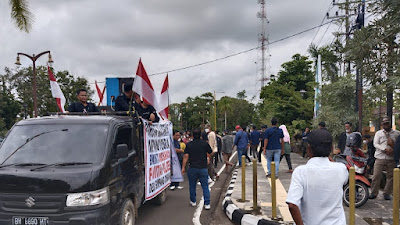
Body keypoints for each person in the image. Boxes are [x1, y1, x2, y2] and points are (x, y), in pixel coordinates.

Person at [286, 129, 348, 225]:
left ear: (309, 149)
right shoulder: (341, 169)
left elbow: (292, 205)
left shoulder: (301, 172)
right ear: (331, 148)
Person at [370, 117, 400, 200]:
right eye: (384, 123)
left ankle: (387, 193)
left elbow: (398, 145)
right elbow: (375, 144)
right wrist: (384, 149)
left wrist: (393, 150)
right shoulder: (378, 133)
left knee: (391, 177)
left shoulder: (397, 133)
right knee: (376, 176)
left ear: (390, 124)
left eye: (387, 123)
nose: (386, 125)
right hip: (380, 157)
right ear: (382, 124)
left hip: (391, 158)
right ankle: (374, 193)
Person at [181, 129, 212, 210]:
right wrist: (207, 158)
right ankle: (207, 203)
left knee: (192, 185)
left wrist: (183, 167)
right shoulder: (204, 144)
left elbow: (186, 156)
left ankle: (193, 201)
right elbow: (210, 152)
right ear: (201, 135)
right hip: (203, 168)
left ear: (192, 136)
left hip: (192, 168)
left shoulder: (189, 144)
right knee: (205, 186)